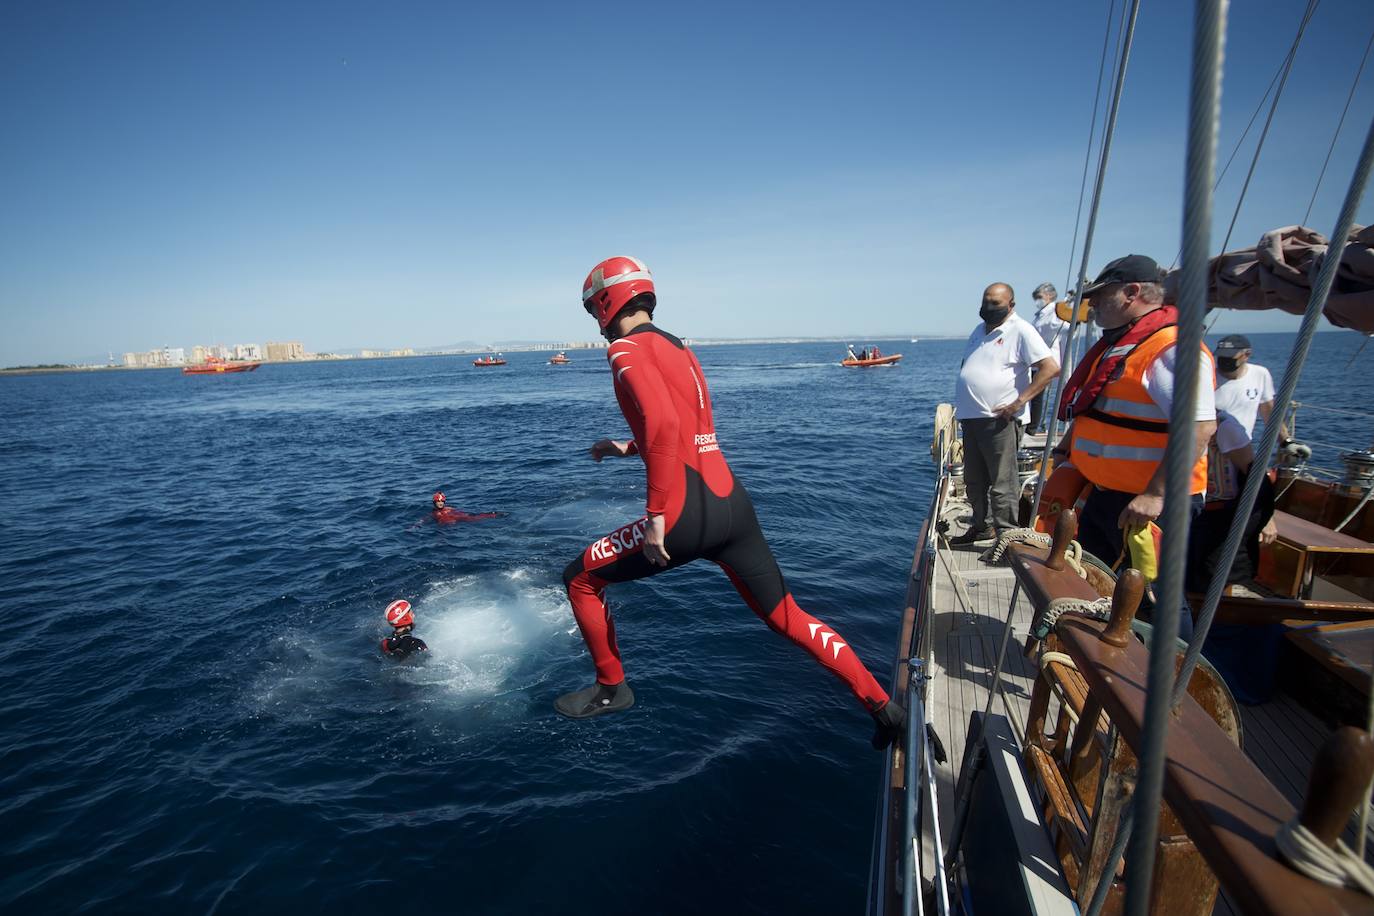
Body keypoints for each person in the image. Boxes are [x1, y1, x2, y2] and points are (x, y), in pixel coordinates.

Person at [558, 255, 905, 749]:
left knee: (579, 579)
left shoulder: (624, 351)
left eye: (594, 312)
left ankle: (612, 687)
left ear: (605, 303)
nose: (597, 326)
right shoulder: (682, 349)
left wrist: (655, 516)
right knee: (789, 616)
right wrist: (625, 448)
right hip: (732, 509)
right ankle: (883, 707)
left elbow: (661, 424)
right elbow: (689, 430)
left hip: (679, 518)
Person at [1053, 255, 1217, 635]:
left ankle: (1171, 685)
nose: (1091, 304)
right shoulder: (1121, 346)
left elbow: (1200, 428)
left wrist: (1155, 495)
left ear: (1132, 292)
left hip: (1148, 504)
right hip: (1108, 494)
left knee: (1155, 597)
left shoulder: (1170, 348)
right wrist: (1068, 451)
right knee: (1096, 577)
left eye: (1100, 295)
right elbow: (1098, 410)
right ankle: (1099, 657)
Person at [951, 283, 1059, 545]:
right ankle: (982, 527)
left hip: (999, 420)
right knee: (974, 481)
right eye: (986, 301)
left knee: (1002, 482)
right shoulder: (979, 331)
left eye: (996, 303)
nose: (989, 308)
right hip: (972, 418)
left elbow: (1049, 368)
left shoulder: (1020, 330)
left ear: (1011, 305)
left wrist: (1019, 402)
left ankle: (1007, 536)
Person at [1212, 334, 1288, 443]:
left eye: (1229, 357)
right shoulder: (1208, 376)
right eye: (1221, 356)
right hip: (1212, 448)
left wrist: (1285, 442)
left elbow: (1268, 411)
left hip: (1242, 447)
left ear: (1246, 355)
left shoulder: (1260, 374)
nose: (1224, 361)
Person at [1029, 282, 1068, 433]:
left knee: (1037, 394)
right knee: (1033, 393)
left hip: (1048, 359)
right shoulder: (1040, 314)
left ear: (1050, 296)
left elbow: (1065, 326)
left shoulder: (1056, 312)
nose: (1037, 301)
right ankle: (1032, 425)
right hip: (1035, 360)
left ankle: (1032, 428)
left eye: (1039, 297)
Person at [430, 491, 502, 524]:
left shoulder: (449, 508)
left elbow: (459, 512)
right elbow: (425, 519)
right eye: (438, 501)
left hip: (460, 517)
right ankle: (493, 515)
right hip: (452, 522)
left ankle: (494, 514)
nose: (440, 503)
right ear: (434, 502)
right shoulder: (434, 513)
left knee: (476, 517)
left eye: (442, 501)